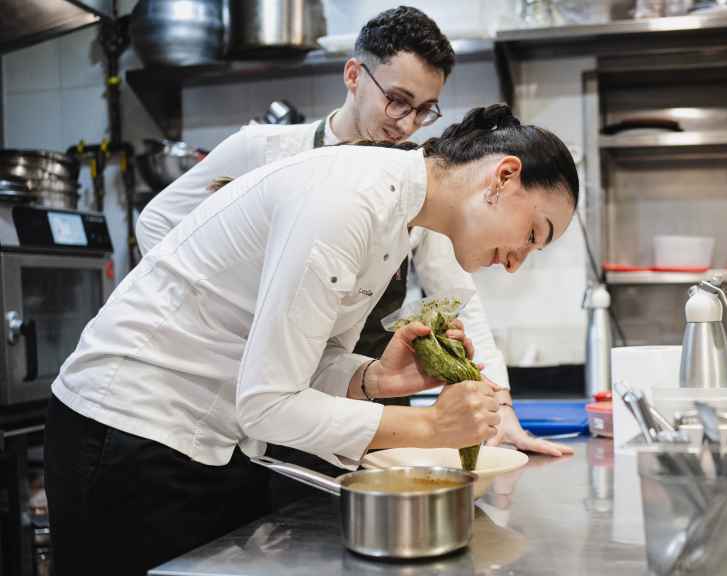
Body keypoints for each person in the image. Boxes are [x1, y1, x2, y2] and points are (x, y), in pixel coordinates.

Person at [45, 104, 579, 574]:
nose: (515, 263)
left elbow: (308, 360)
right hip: (124, 430)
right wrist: (430, 426)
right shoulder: (346, 202)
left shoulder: (399, 214)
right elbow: (268, 404)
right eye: (533, 234)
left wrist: (375, 378)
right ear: (503, 177)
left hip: (206, 440)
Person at [136, 5, 571, 458]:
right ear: (353, 75)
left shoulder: (417, 193)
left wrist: (497, 408)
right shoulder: (279, 156)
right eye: (398, 100)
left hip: (347, 389)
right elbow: (159, 225)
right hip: (252, 402)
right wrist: (244, 321)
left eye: (423, 111)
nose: (406, 123)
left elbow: (463, 301)